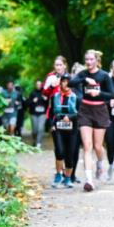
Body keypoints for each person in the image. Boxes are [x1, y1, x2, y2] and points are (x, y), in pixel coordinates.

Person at [71, 50, 113, 191]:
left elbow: (111, 94)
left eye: (91, 59)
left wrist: (98, 93)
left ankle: (100, 162)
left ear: (96, 60)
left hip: (100, 111)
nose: (88, 62)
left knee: (97, 146)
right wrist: (84, 80)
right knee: (87, 146)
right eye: (86, 59)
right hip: (85, 111)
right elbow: (71, 82)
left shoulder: (104, 75)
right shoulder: (83, 74)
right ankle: (89, 181)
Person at [42, 56, 68, 186]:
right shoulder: (51, 76)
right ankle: (58, 173)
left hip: (69, 115)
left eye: (60, 65)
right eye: (56, 65)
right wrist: (51, 87)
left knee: (68, 146)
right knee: (59, 147)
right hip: (54, 115)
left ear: (64, 65)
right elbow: (44, 93)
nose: (58, 67)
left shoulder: (70, 77)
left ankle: (68, 174)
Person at [50, 75, 79, 188]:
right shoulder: (55, 96)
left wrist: (70, 117)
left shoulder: (76, 97)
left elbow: (79, 113)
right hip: (58, 128)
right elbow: (52, 113)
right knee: (60, 151)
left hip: (72, 129)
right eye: (64, 82)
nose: (66, 84)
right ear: (60, 83)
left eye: (68, 82)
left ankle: (67, 178)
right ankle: (58, 175)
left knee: (70, 154)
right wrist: (52, 124)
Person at [26, 80, 47, 148]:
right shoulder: (32, 93)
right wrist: (32, 101)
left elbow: (49, 104)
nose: (38, 86)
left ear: (42, 85)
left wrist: (46, 99)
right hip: (33, 114)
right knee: (35, 129)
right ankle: (35, 140)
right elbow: (27, 103)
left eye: (40, 84)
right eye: (37, 84)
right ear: (35, 85)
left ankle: (38, 143)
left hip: (42, 114)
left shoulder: (45, 93)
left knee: (40, 128)